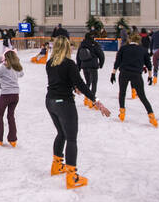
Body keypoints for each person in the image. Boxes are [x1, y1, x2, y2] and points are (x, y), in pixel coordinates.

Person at [45, 36, 110, 189]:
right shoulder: (69, 64)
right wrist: (96, 101)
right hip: (64, 104)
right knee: (71, 138)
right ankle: (72, 175)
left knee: (61, 133)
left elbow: (59, 81)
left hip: (50, 102)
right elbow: (81, 83)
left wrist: (73, 88)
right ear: (67, 48)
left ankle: (56, 165)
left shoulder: (50, 63)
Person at [111, 33, 156, 127]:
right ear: (138, 41)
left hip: (124, 73)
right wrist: (150, 76)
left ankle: (122, 113)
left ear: (129, 39)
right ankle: (151, 115)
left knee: (122, 93)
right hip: (136, 74)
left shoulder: (123, 48)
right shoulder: (143, 50)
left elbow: (117, 61)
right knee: (142, 96)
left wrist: (113, 73)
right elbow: (149, 65)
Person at [0, 49, 24, 147]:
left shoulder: (4, 67)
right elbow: (22, 74)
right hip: (15, 95)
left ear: (5, 58)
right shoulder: (17, 68)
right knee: (10, 116)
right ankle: (13, 139)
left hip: (6, 95)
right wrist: (18, 62)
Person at [76, 32, 105, 109]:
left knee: (88, 82)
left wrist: (78, 67)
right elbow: (101, 55)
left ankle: (86, 98)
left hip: (84, 66)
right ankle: (91, 101)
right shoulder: (95, 44)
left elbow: (78, 56)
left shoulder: (82, 45)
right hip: (93, 66)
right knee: (94, 83)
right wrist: (101, 64)